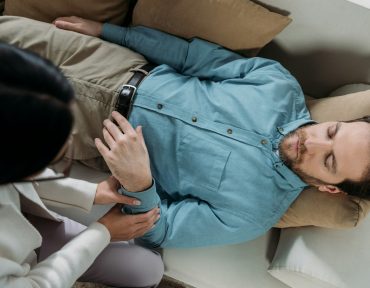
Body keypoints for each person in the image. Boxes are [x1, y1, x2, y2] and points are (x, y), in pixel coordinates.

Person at [1, 15, 369, 249]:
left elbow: (161, 231)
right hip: (107, 62)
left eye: (329, 159)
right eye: (333, 131)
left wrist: (139, 182)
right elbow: (192, 57)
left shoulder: (251, 215)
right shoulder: (279, 84)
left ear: (329, 187)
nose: (314, 140)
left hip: (85, 129)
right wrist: (108, 32)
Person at [0, 42, 164, 288]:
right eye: (55, 156)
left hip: (20, 222)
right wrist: (102, 232)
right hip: (20, 265)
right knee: (145, 270)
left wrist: (92, 193)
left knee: (142, 265)